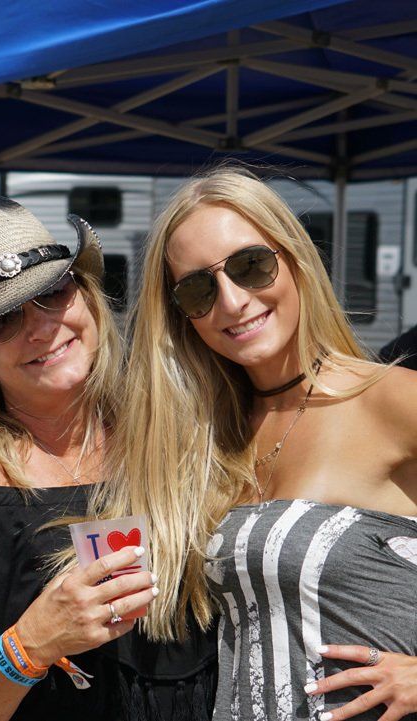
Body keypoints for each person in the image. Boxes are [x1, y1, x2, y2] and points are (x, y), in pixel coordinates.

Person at [0, 196, 217, 721]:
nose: (41, 328)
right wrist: (31, 643)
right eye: (1, 320)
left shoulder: (178, 441)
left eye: (52, 292)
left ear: (87, 299)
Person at [117, 166, 417, 721]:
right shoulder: (210, 440)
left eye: (251, 266)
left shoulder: (393, 400)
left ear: (295, 257)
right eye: (198, 289)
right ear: (184, 317)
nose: (232, 302)